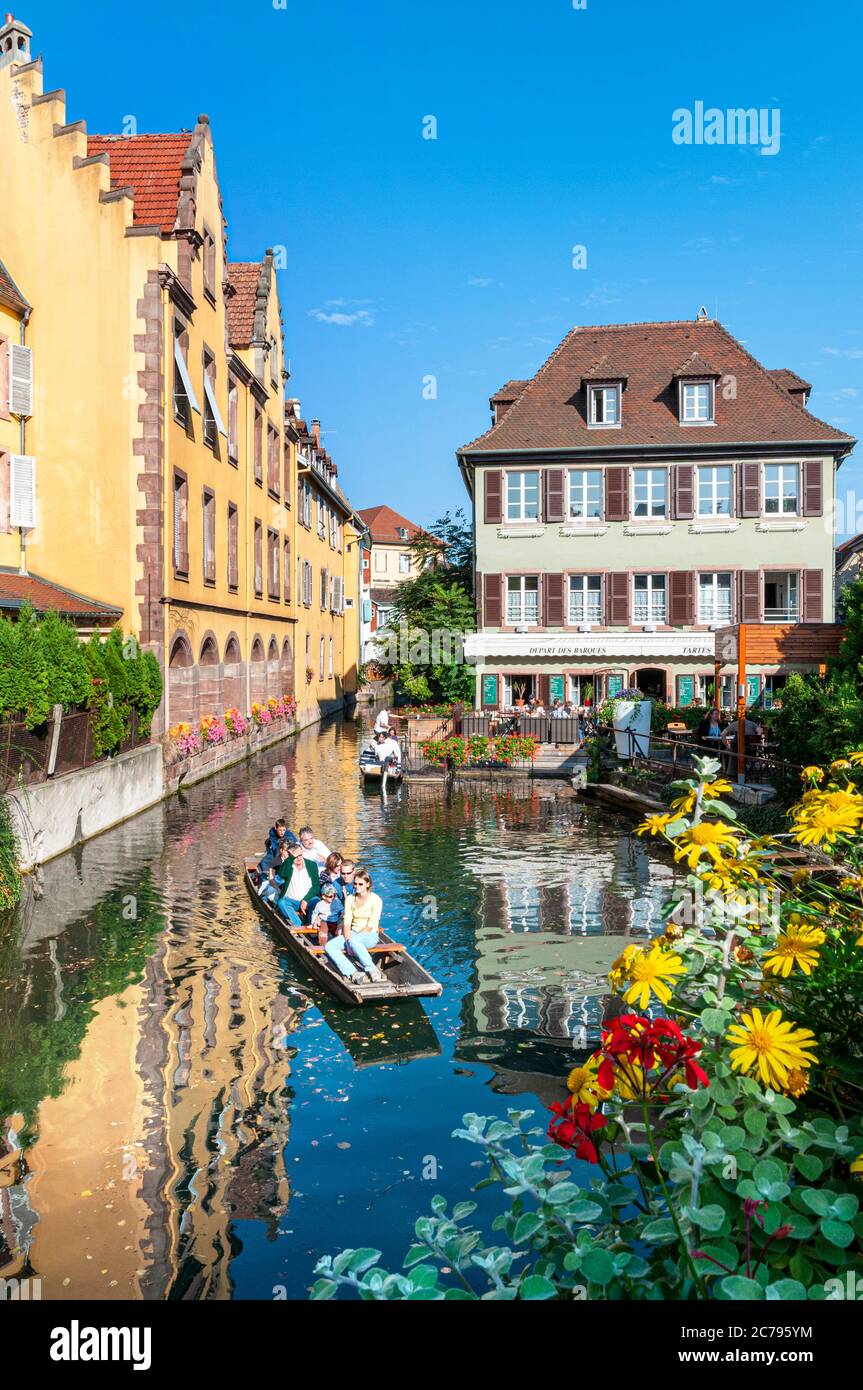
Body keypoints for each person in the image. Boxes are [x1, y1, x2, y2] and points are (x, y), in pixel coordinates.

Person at [324, 866, 385, 984]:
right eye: (355, 884)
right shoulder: (350, 899)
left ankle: (371, 968)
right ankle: (352, 972)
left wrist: (352, 942)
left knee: (355, 942)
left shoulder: (376, 900)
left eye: (361, 884)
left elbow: (371, 925)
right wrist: (347, 942)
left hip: (370, 934)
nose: (357, 886)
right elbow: (347, 923)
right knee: (329, 946)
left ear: (368, 884)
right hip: (353, 933)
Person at [275, 838, 321, 926]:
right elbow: (281, 874)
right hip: (292, 901)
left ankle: (311, 924)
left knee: (317, 902)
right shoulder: (288, 866)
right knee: (282, 902)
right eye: (295, 856)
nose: (299, 858)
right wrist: (290, 858)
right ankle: (298, 924)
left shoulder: (312, 865)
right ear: (290, 856)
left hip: (309, 900)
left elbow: (316, 886)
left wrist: (305, 900)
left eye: (300, 855)